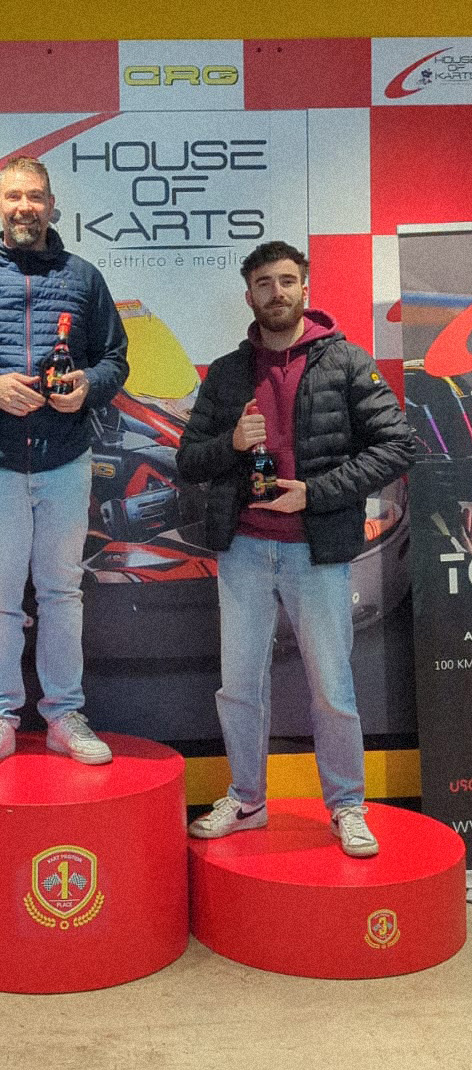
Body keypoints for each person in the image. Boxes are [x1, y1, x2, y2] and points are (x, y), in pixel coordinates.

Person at [177, 240, 414, 857]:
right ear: (249, 295)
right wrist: (231, 443)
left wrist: (315, 494)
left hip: (316, 550)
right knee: (239, 687)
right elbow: (189, 460)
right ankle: (247, 799)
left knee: (332, 688)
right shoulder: (228, 372)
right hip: (244, 550)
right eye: (264, 283)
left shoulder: (346, 361)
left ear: (304, 289)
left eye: (286, 281)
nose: (276, 292)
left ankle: (348, 805)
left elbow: (397, 447)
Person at [0, 156, 128, 773]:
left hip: (65, 459)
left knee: (62, 592)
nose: (25, 208)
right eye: (14, 197)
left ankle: (64, 716)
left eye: (35, 196)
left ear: (51, 204)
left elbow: (115, 360)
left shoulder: (83, 278)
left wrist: (87, 387)